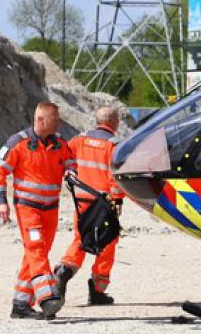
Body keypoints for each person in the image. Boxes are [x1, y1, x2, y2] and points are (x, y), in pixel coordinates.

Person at [0, 102, 76, 320]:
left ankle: (20, 305)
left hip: (51, 210)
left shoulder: (60, 144)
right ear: (40, 120)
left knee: (36, 253)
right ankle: (47, 297)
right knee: (36, 249)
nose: (58, 123)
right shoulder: (18, 143)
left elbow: (70, 162)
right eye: (54, 119)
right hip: (28, 209)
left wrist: (70, 172)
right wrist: (1, 201)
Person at [53, 107, 124, 306]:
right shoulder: (114, 146)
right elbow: (115, 177)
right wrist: (117, 200)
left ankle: (64, 270)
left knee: (81, 238)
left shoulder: (78, 140)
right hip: (104, 202)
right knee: (107, 242)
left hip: (81, 200)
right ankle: (98, 290)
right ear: (115, 122)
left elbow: (64, 161)